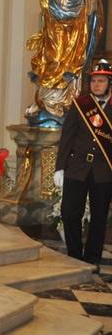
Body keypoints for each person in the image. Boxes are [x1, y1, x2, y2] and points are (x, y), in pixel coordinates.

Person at [26, 0, 106, 126]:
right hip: (57, 23)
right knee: (55, 58)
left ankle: (67, 101)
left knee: (73, 61)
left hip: (77, 26)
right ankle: (49, 102)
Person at [54, 60, 112, 270]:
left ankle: (92, 257)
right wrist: (60, 167)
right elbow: (67, 137)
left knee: (99, 217)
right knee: (69, 212)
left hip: (104, 170)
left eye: (101, 81)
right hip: (77, 167)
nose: (97, 84)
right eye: (94, 81)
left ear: (109, 84)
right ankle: (74, 254)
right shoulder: (81, 104)